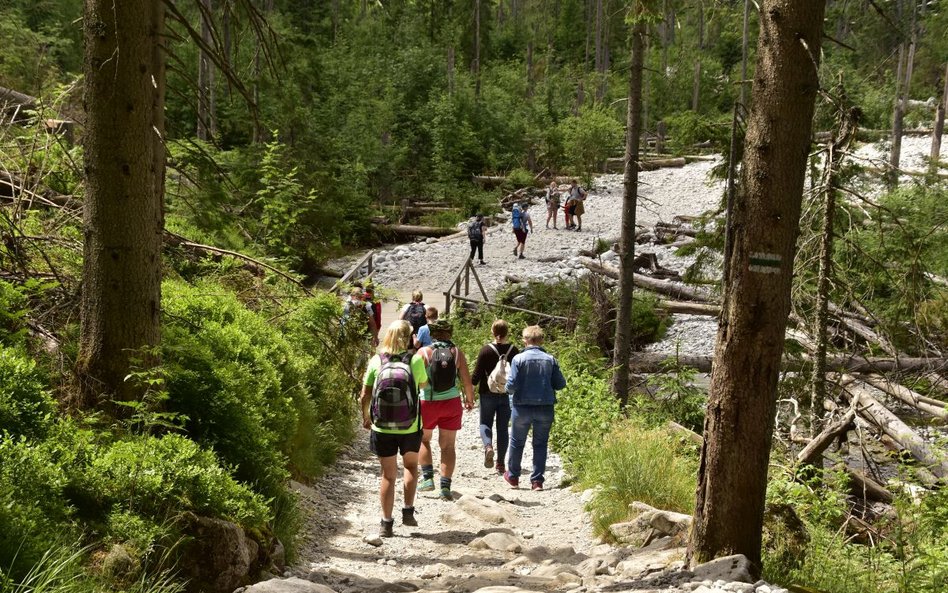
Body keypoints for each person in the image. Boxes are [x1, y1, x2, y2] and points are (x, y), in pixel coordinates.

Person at [359, 320, 429, 538]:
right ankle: (408, 511)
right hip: (410, 425)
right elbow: (423, 386)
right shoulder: (415, 360)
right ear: (408, 337)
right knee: (410, 467)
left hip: (382, 427)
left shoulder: (376, 360)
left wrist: (366, 417)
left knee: (388, 475)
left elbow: (365, 395)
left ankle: (386, 524)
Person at [416, 318, 475, 501]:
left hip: (428, 402)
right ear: (450, 333)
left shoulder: (424, 352)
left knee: (423, 440)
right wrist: (470, 400)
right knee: (448, 446)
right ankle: (445, 487)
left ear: (432, 334)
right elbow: (466, 380)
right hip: (451, 403)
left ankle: (427, 479)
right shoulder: (457, 353)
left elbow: (415, 379)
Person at [503, 325, 566, 492]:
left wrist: (506, 388)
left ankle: (514, 477)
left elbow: (511, 386)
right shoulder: (550, 359)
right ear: (541, 340)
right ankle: (537, 481)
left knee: (517, 442)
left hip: (521, 407)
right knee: (540, 443)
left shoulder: (518, 359)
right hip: (545, 407)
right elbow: (560, 384)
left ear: (525, 340)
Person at [471, 319, 519, 475]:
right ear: (507, 332)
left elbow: (476, 376)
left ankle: (488, 446)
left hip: (487, 393)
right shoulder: (514, 350)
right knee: (503, 428)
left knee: (485, 423)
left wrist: (470, 391)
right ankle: (500, 464)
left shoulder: (485, 350)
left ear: (492, 331)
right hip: (506, 394)